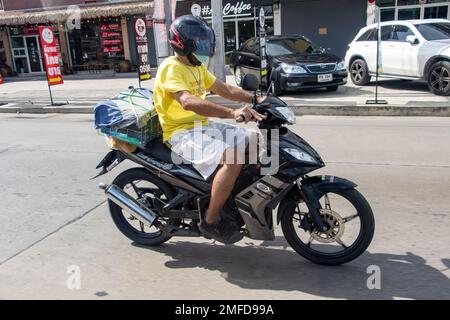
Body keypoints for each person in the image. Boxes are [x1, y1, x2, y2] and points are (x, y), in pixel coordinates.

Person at [153, 15, 265, 244]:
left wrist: (258, 99)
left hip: (201, 126)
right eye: (199, 43)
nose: (204, 48)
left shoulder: (196, 66)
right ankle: (211, 219)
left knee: (254, 139)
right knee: (233, 159)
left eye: (205, 43)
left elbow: (224, 89)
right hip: (181, 133)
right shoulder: (171, 68)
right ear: (182, 44)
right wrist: (232, 113)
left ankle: (233, 195)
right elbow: (188, 102)